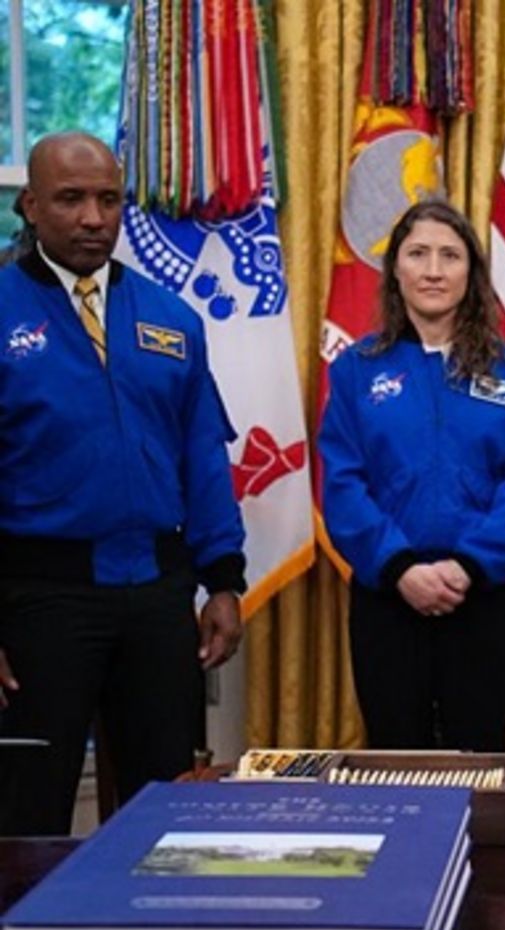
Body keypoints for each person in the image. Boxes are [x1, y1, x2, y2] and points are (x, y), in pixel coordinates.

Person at [0, 133, 245, 836]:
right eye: (70, 199)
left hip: (158, 599)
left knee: (165, 813)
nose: (92, 218)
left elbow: (202, 458)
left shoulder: (171, 317)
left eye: (108, 200)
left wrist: (223, 580)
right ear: (31, 206)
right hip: (41, 601)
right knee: (28, 813)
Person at [320, 200, 505, 752]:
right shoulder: (356, 369)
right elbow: (342, 485)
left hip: (482, 597)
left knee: (476, 759)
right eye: (418, 254)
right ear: (395, 270)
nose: (433, 270)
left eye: (450, 256)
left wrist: (469, 566)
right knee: (395, 760)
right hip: (388, 595)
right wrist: (400, 567)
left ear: (471, 273)